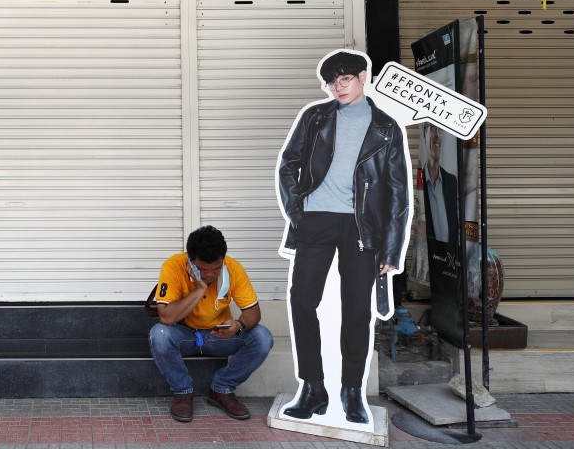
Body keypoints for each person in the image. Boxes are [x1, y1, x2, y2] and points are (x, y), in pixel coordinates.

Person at [277, 51, 410, 425]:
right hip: (315, 221)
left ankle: (352, 390)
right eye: (332, 81)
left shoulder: (386, 128)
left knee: (356, 310)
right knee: (302, 301)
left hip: (361, 227)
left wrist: (392, 248)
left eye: (345, 79)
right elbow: (289, 165)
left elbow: (398, 193)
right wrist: (299, 214)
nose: (338, 87)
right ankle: (312, 387)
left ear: (363, 76)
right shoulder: (315, 117)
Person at [148, 225, 274, 423]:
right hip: (186, 335)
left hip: (219, 335)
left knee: (263, 337)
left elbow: (253, 312)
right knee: (159, 334)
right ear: (190, 261)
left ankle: (221, 389)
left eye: (216, 269)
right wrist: (199, 289)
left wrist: (238, 325)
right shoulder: (173, 266)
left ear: (223, 260)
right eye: (202, 269)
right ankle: (183, 392)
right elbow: (166, 317)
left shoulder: (233, 267)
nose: (209, 275)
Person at [422, 122, 460, 245]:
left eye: (441, 131)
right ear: (424, 135)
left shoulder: (452, 181)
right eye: (433, 129)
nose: (437, 135)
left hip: (450, 253)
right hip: (429, 253)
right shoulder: (419, 182)